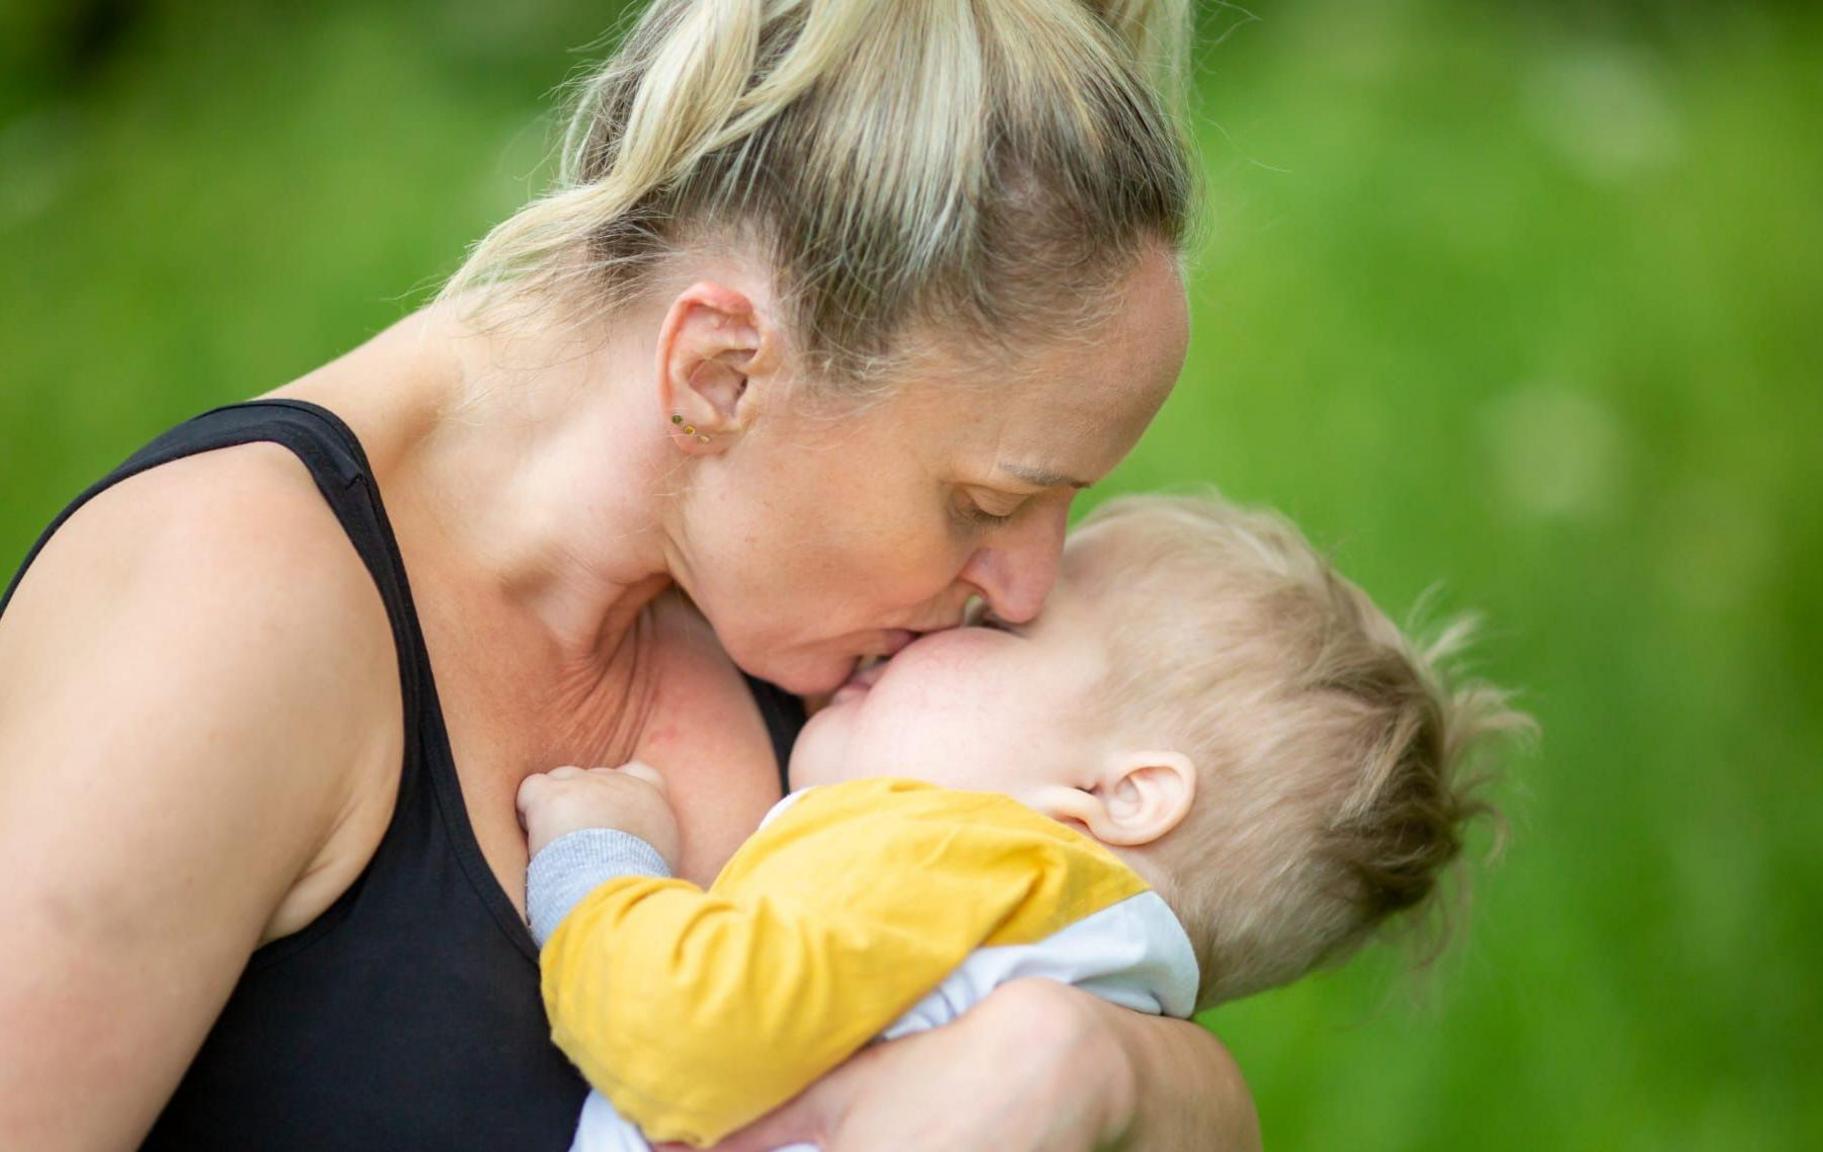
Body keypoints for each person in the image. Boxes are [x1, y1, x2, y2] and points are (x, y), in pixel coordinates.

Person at [0, 3, 1262, 1149]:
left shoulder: (830, 655)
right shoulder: (229, 604)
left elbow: (1119, 978)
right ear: (718, 371)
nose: (1030, 592)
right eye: (985, 501)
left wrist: (1109, 1072)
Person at [514, 493, 1526, 1152]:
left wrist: (595, 858)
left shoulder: (958, 860)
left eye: (996, 631)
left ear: (1121, 797)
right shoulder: (1088, 969)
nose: (936, 618)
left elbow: (690, 1031)